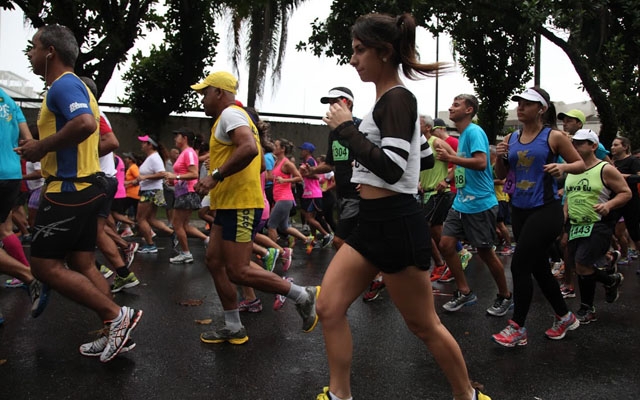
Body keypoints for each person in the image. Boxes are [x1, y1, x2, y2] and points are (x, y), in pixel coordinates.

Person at [316, 13, 490, 400]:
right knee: (328, 307)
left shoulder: (397, 97)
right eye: (353, 51)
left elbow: (393, 170)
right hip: (370, 222)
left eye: (360, 50)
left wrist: (345, 128)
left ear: (384, 51)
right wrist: (419, 139)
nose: (353, 59)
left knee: (423, 324)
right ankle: (339, 395)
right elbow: (422, 162)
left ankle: (468, 395)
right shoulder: (388, 102)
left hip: (396, 222)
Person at [18, 24, 141, 362]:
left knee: (44, 267)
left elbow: (85, 124)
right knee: (83, 263)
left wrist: (40, 147)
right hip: (87, 188)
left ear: (50, 53)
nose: (29, 53)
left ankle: (118, 318)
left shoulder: (64, 85)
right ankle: (113, 329)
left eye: (33, 47)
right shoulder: (78, 87)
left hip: (67, 191)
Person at [191, 71, 319, 345]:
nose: (202, 98)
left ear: (219, 93)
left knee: (237, 270)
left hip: (240, 204)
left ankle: (301, 295)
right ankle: (233, 325)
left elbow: (249, 149)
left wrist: (215, 175)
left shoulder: (230, 115)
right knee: (214, 262)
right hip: (228, 203)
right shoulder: (234, 118)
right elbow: (260, 163)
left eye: (205, 92)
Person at [492, 87, 586, 347]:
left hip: (546, 210)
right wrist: (500, 157)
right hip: (519, 210)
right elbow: (500, 172)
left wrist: (563, 167)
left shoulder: (553, 136)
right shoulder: (511, 137)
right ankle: (565, 316)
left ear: (541, 109)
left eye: (527, 103)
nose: (520, 107)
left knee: (520, 265)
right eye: (519, 102)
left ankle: (518, 327)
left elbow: (580, 163)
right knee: (539, 268)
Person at [436, 94, 513, 317]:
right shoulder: (462, 136)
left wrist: (451, 158)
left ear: (469, 110)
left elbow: (481, 163)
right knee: (446, 244)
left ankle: (505, 296)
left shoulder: (474, 132)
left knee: (485, 252)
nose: (450, 108)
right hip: (461, 203)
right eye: (452, 103)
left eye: (456, 104)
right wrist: (450, 174)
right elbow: (463, 167)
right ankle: (464, 291)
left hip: (480, 203)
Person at [79, 76, 139, 292]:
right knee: (95, 231)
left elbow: (112, 142)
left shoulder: (93, 113)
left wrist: (83, 156)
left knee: (80, 231)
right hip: (101, 179)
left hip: (98, 179)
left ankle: (112, 311)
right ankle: (118, 273)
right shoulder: (87, 112)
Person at [563, 129, 629, 323]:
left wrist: (608, 205)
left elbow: (625, 192)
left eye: (581, 143)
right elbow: (571, 194)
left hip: (598, 224)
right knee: (578, 266)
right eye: (574, 142)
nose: (575, 146)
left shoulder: (605, 169)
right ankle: (610, 280)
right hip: (575, 224)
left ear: (593, 146)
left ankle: (587, 308)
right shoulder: (572, 168)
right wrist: (565, 212)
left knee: (583, 264)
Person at [0, 85, 47, 322]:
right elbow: (29, 142)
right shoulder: (8, 100)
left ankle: (28, 276)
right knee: (5, 230)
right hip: (10, 174)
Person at [135, 134, 176, 253]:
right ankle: (173, 233)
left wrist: (144, 177)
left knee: (140, 218)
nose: (142, 145)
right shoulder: (152, 157)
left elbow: (162, 173)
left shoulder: (154, 158)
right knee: (150, 219)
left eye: (144, 143)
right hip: (153, 190)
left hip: (150, 191)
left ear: (150, 145)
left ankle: (150, 245)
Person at [609, 136, 640, 268]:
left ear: (625, 147)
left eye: (616, 145)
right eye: (612, 145)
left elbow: (638, 177)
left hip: (631, 200)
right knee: (607, 227)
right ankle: (616, 254)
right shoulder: (612, 162)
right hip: (615, 200)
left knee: (634, 232)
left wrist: (623, 176)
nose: (612, 147)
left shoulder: (632, 160)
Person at [299, 141, 334, 250]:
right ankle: (314, 240)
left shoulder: (310, 161)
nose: (301, 152)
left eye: (302, 150)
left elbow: (316, 176)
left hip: (313, 193)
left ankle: (326, 235)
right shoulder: (307, 161)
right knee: (310, 218)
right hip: (308, 193)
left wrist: (304, 174)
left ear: (307, 151)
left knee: (310, 218)